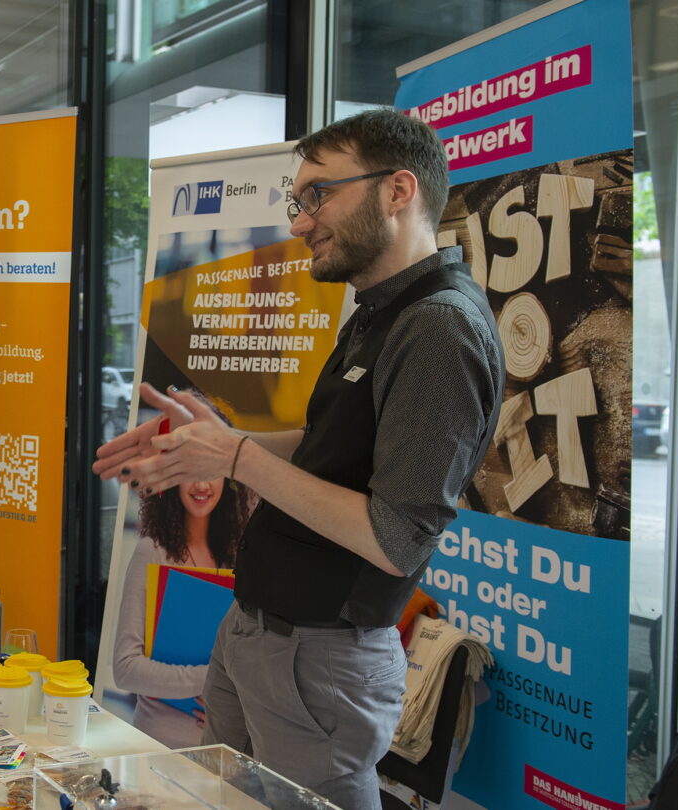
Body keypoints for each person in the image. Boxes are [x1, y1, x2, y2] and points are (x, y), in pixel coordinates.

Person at [94, 109, 504, 809]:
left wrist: (239, 457)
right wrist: (213, 442)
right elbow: (325, 451)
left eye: (319, 196)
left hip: (321, 661)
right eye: (297, 200)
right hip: (256, 630)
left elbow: (393, 535)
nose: (300, 220)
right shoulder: (379, 312)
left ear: (398, 190)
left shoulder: (439, 328)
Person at [111, 393, 253, 749]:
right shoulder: (152, 552)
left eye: (211, 471)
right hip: (159, 747)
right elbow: (125, 668)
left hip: (228, 749)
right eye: (189, 470)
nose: (202, 485)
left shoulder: (242, 555)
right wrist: (211, 682)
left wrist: (234, 705)